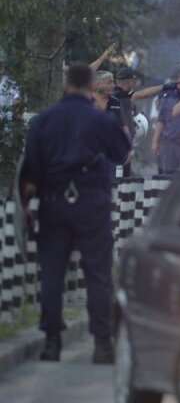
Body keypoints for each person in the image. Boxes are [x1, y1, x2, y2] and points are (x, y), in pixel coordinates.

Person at [19, 63, 131, 364]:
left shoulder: (44, 121)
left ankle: (52, 342)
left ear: (65, 86)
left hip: (53, 204)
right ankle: (102, 344)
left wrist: (25, 210)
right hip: (92, 204)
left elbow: (30, 168)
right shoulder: (101, 119)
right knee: (98, 274)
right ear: (92, 87)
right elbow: (122, 153)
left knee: (52, 275)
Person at [151, 65, 180, 174]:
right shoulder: (169, 96)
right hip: (170, 143)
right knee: (168, 177)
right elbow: (161, 120)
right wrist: (155, 141)